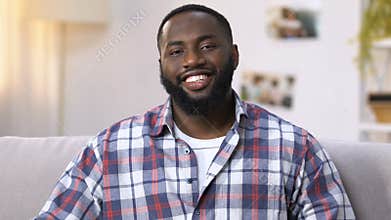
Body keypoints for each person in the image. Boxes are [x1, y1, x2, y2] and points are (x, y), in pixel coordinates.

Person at [35, 4, 355, 219]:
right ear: (162, 66)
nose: (191, 60)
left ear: (233, 55)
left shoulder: (296, 148)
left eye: (207, 46)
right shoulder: (108, 151)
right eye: (176, 51)